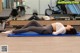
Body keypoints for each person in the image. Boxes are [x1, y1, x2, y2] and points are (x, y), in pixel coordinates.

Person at [2, 20, 77, 35]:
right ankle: (19, 30)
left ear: (70, 29)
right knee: (33, 21)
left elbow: (55, 33)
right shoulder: (63, 28)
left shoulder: (63, 29)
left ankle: (12, 31)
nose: (70, 25)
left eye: (71, 26)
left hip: (47, 29)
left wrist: (54, 31)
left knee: (31, 28)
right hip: (47, 27)